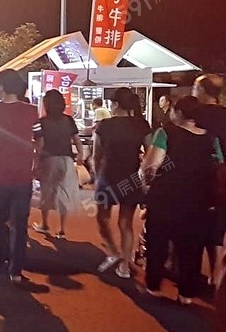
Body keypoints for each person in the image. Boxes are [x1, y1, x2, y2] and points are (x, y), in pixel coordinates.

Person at [141, 96, 219, 305]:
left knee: (158, 243)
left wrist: (147, 180)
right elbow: (218, 165)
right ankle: (187, 294)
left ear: (180, 113)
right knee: (192, 248)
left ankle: (154, 287)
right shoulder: (211, 138)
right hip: (198, 201)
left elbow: (151, 166)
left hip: (165, 199)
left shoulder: (166, 133)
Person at [0, 70, 39, 283]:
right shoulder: (32, 110)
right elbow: (39, 139)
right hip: (23, 175)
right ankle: (16, 270)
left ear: (2, 87)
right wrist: (35, 161)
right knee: (20, 223)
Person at [92, 88, 151, 279]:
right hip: (131, 178)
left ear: (116, 104)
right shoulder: (141, 125)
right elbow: (150, 154)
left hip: (107, 176)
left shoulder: (104, 125)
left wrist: (97, 176)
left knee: (102, 217)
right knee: (125, 224)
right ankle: (124, 266)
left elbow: (96, 155)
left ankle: (113, 251)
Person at [32, 89, 84, 239]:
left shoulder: (41, 122)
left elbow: (40, 144)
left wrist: (36, 162)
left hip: (48, 159)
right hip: (67, 159)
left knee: (47, 191)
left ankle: (44, 224)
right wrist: (80, 154)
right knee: (64, 192)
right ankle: (61, 228)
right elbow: (76, 140)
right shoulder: (69, 120)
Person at [191, 74, 226, 288]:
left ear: (202, 91)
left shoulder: (194, 114)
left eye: (195, 88)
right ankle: (216, 275)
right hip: (222, 179)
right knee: (218, 226)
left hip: (196, 177)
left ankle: (189, 276)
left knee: (193, 226)